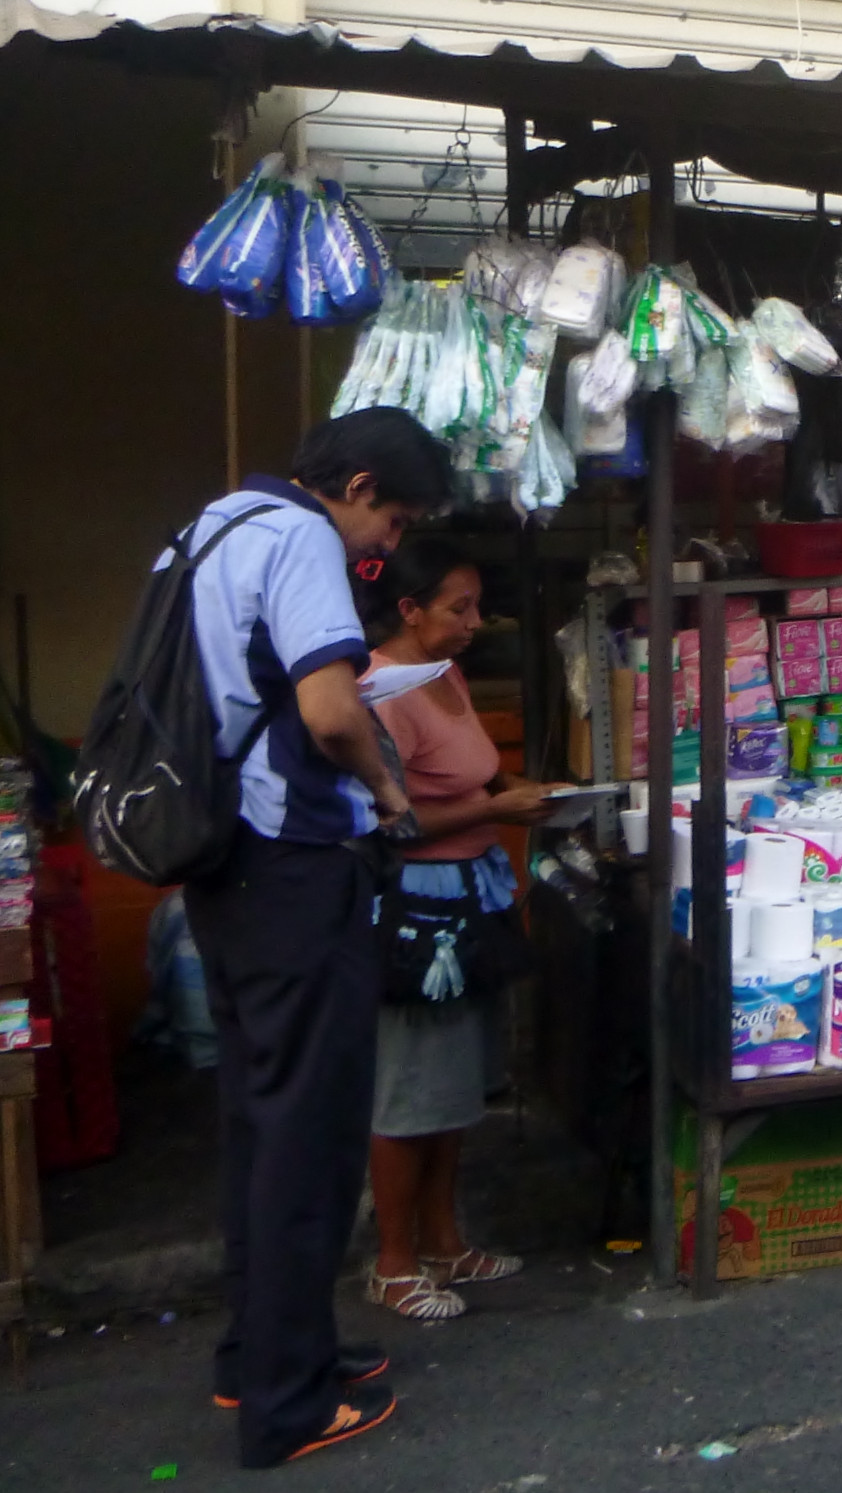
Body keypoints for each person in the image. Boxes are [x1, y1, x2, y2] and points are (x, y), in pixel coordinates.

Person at [177, 407, 453, 1468]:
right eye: (389, 517)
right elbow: (331, 708)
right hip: (291, 857)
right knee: (310, 1129)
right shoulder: (298, 536)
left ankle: (259, 1353)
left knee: (260, 1115)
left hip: (222, 859)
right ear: (359, 482)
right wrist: (388, 791)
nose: (381, 546)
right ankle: (287, 1404)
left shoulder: (213, 522)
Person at [359, 538, 552, 1320]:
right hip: (418, 912)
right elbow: (389, 819)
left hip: (472, 894)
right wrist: (495, 809)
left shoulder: (446, 674)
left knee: (454, 1083)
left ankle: (445, 1239)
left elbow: (477, 773)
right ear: (408, 611)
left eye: (477, 605)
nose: (475, 621)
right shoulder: (379, 691)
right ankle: (394, 1261)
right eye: (457, 608)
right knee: (408, 1089)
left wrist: (525, 791)